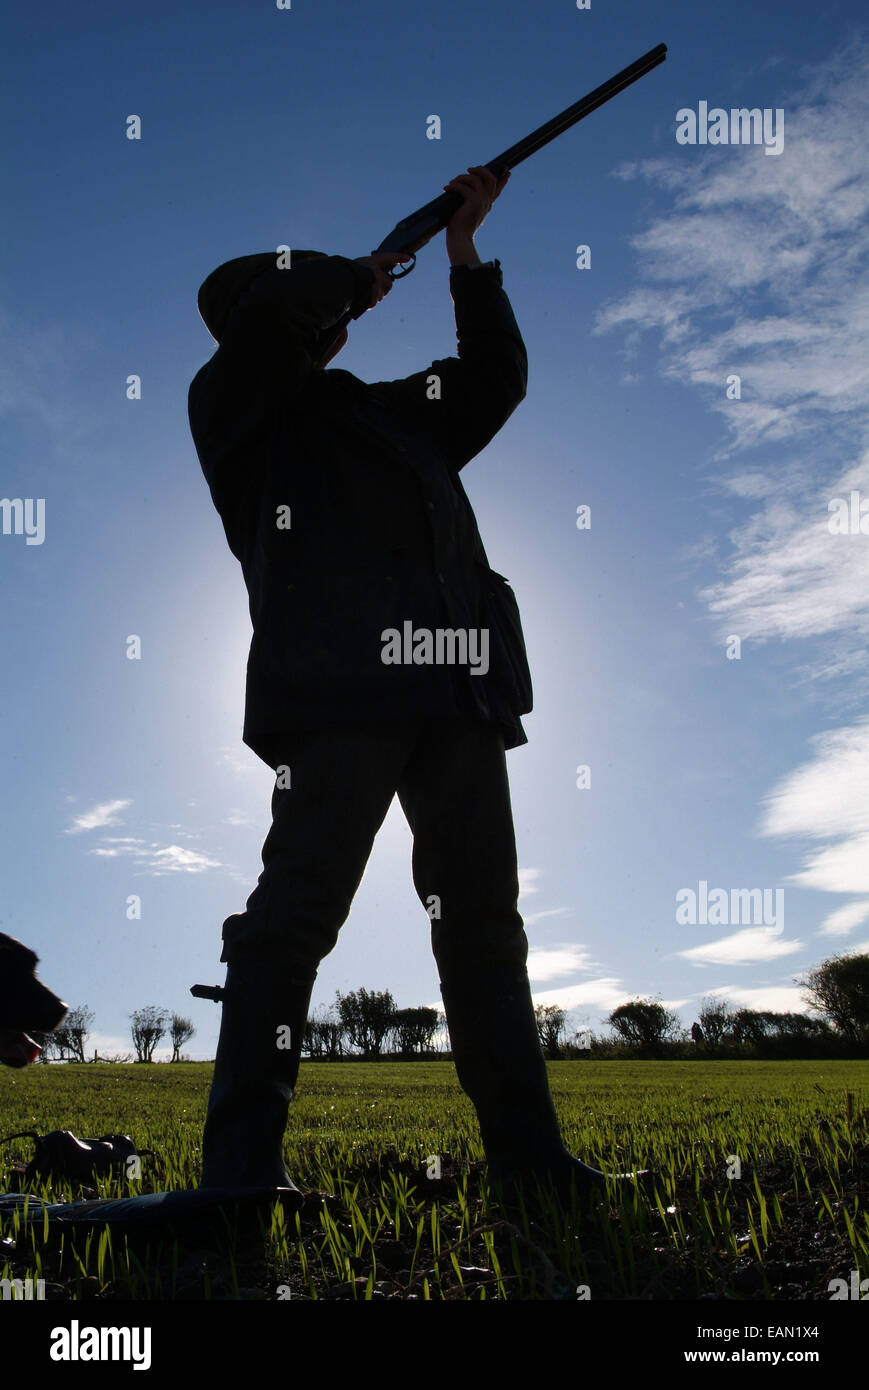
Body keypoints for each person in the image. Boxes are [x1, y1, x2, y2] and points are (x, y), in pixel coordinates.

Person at [188, 166, 642, 1203]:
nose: (331, 323)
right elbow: (281, 324)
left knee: (484, 923)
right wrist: (368, 266)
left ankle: (530, 1167)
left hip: (458, 687)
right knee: (294, 917)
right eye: (305, 304)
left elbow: (493, 380)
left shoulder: (390, 414)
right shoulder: (237, 403)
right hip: (339, 683)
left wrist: (463, 255)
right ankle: (239, 1181)